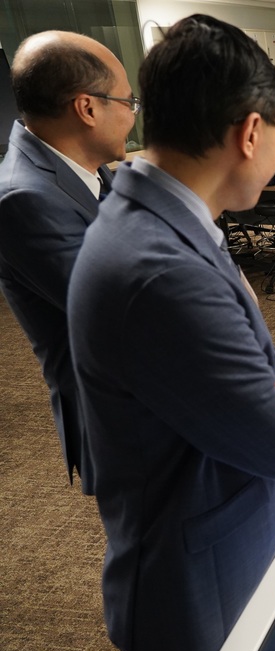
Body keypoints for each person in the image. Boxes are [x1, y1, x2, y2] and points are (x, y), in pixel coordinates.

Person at [66, 15, 275, 651]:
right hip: (202, 587)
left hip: (225, 539)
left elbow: (253, 359)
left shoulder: (172, 222)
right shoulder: (159, 268)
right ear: (251, 132)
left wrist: (265, 364)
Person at [0, 31, 135, 495]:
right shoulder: (23, 199)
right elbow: (130, 312)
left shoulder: (90, 169)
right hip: (121, 422)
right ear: (87, 108)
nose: (133, 116)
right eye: (129, 102)